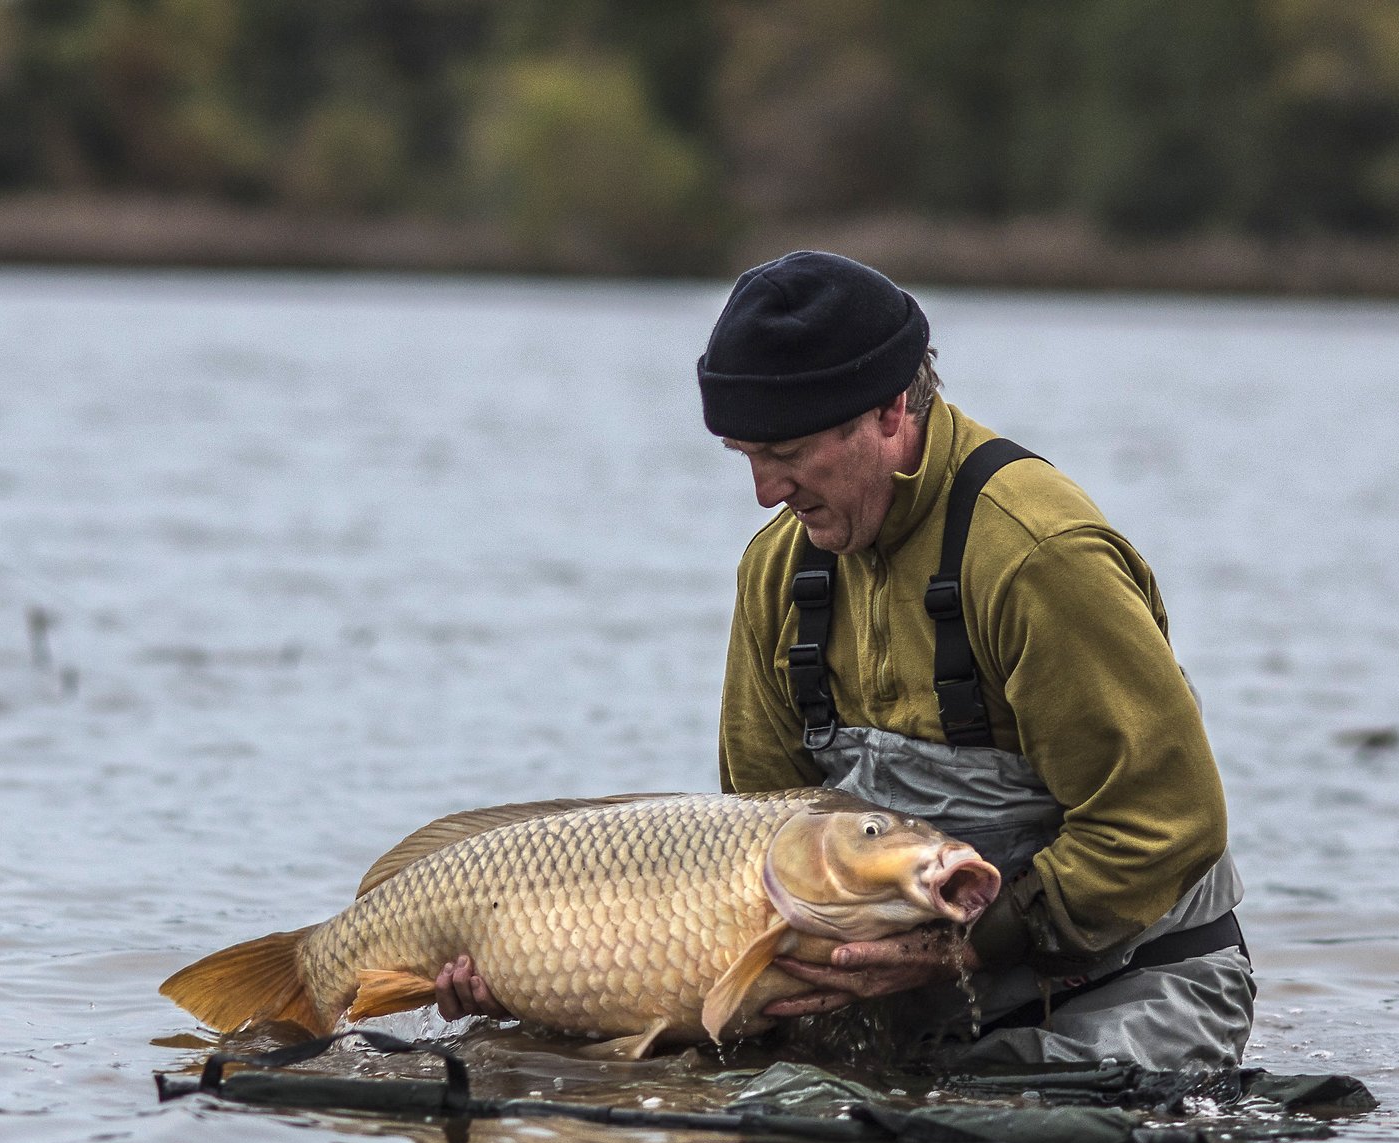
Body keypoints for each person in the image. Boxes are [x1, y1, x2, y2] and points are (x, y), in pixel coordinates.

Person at [442, 250, 1251, 1069]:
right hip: (909, 1002)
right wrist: (540, 979)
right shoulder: (778, 571)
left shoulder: (1037, 555)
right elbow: (752, 845)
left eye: (787, 452)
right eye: (744, 454)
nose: (765, 491)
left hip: (1127, 990)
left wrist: (969, 943)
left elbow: (1167, 821)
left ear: (891, 409)